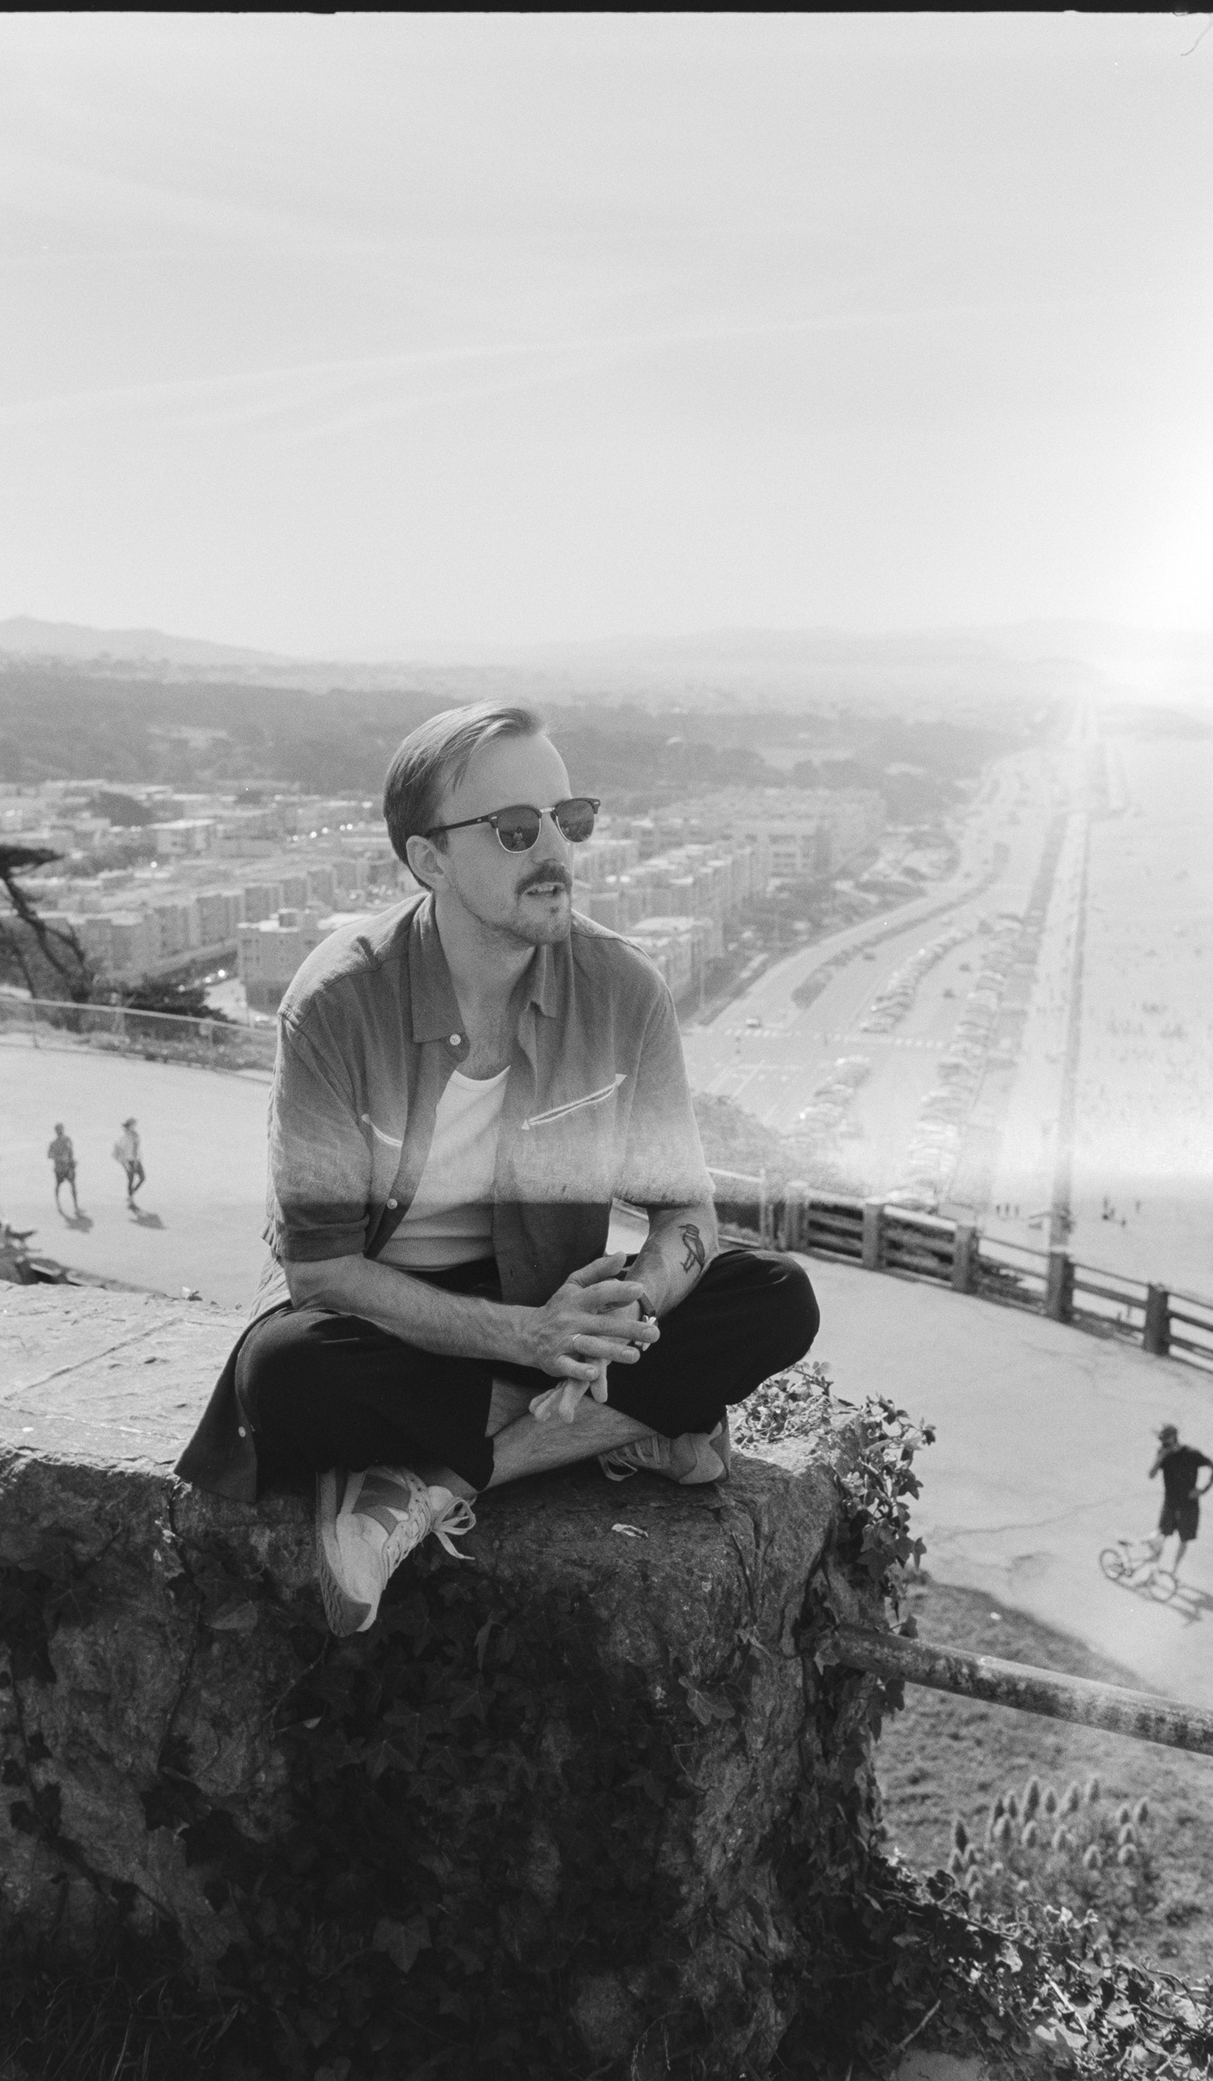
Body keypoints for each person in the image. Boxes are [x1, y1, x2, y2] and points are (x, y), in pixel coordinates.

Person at [175, 701, 820, 1638]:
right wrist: (530, 1341)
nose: (556, 850)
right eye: (517, 830)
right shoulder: (337, 1005)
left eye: (571, 819)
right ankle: (627, 1428)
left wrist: (618, 1319)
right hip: (392, 1318)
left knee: (775, 1297)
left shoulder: (621, 988)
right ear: (429, 858)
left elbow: (686, 1213)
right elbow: (321, 1271)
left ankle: (440, 1480)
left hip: (554, 1291)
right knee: (283, 1376)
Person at [1146, 1424, 1213, 1580]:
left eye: (1165, 1439)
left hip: (1188, 1505)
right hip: (1170, 1503)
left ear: (1173, 1438)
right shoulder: (1162, 1453)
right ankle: (1153, 1573)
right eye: (1161, 1440)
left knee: (1184, 1539)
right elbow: (1151, 1475)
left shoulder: (1191, 1454)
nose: (1162, 1443)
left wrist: (1203, 1490)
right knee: (1161, 1536)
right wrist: (1160, 1458)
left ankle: (1173, 1571)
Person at [48, 1123, 80, 1216]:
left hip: (68, 1167)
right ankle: (58, 1203)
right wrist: (59, 1157)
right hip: (59, 1168)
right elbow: (49, 1155)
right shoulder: (53, 1143)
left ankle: (76, 1206)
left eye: (61, 1129)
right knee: (58, 1185)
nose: (60, 1131)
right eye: (58, 1130)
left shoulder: (67, 1140)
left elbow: (70, 1151)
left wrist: (72, 1161)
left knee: (73, 1185)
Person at [113, 1118, 145, 1205]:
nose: (134, 1127)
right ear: (129, 1126)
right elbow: (120, 1151)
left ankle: (131, 1194)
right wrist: (125, 1163)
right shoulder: (124, 1138)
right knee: (131, 1179)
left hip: (136, 1160)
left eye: (134, 1125)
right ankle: (130, 1198)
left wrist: (139, 1158)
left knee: (142, 1178)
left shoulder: (136, 1135)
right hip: (128, 1161)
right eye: (132, 1125)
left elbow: (138, 1148)